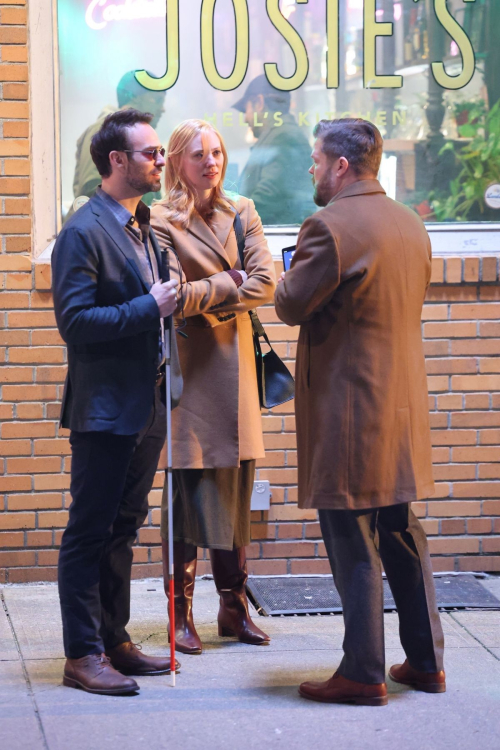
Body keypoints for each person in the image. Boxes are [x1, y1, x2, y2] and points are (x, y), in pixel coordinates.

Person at [275, 118, 445, 706]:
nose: (312, 169)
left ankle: (362, 672)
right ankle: (426, 663)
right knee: (401, 532)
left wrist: (286, 268)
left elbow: (292, 304)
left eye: (317, 160)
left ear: (341, 165)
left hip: (350, 412)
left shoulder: (327, 227)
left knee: (353, 540)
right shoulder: (410, 224)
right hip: (399, 407)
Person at [52, 108, 180, 695]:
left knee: (125, 527)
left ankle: (115, 639)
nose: (161, 160)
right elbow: (75, 323)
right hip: (104, 409)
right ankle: (82, 654)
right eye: (150, 152)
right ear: (117, 162)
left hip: (147, 403)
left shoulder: (145, 226)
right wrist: (147, 308)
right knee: (90, 530)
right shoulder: (83, 230)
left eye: (159, 152)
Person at [150, 119, 276, 655]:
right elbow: (171, 294)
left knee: (237, 488)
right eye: (199, 154)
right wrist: (229, 284)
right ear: (177, 160)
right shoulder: (156, 219)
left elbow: (267, 282)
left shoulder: (242, 209)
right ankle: (181, 617)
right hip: (192, 374)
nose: (212, 162)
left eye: (218, 152)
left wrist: (208, 296)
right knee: (186, 493)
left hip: (236, 371)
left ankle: (233, 608)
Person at [232, 74, 315, 225]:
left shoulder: (283, 138)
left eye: (246, 110)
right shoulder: (278, 135)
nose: (245, 119)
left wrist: (225, 219)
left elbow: (267, 200)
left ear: (259, 103)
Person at [73, 71, 166, 203]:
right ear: (133, 97)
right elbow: (91, 187)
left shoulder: (125, 132)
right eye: (157, 100)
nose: (162, 109)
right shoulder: (103, 130)